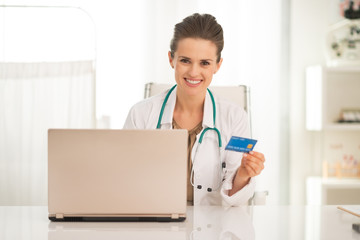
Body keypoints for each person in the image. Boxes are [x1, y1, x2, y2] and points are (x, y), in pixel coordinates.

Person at [123, 13, 265, 206]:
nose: (193, 72)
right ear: (171, 59)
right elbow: (126, 180)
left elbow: (236, 197)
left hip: (214, 228)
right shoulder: (140, 114)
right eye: (185, 61)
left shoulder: (236, 117)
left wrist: (244, 174)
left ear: (217, 65)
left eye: (204, 63)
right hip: (155, 224)